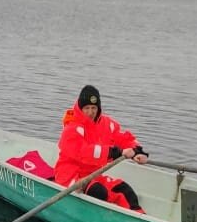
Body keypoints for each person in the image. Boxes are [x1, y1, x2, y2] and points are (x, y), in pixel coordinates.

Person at [54, 84, 149, 212]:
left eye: (94, 107)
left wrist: (137, 151)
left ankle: (139, 221)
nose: (90, 112)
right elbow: (84, 152)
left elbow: (123, 138)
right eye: (86, 108)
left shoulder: (106, 124)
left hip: (94, 175)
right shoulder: (71, 128)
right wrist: (115, 152)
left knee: (126, 191)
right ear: (80, 108)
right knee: (98, 192)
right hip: (70, 176)